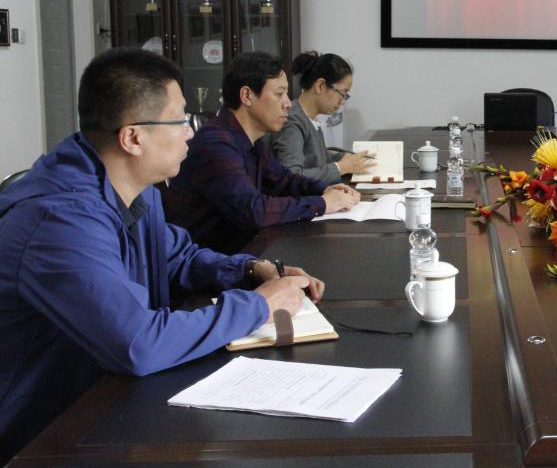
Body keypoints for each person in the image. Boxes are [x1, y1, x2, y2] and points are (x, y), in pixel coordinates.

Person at [0, 48, 323, 462]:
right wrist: (260, 305)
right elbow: (138, 343)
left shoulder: (136, 187)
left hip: (107, 398)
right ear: (133, 138)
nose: (191, 133)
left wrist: (249, 269)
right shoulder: (60, 221)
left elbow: (177, 257)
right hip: (42, 433)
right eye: (180, 121)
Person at [164, 52, 360, 254]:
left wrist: (326, 189)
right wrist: (322, 203)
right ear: (247, 96)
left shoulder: (250, 140)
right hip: (209, 264)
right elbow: (254, 210)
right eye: (279, 94)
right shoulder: (216, 144)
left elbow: (284, 180)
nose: (288, 103)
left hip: (240, 254)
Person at [270, 51, 373, 184]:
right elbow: (292, 176)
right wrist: (341, 167)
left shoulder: (307, 118)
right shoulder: (291, 122)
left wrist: (343, 158)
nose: (343, 101)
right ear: (320, 86)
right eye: (342, 93)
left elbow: (314, 156)